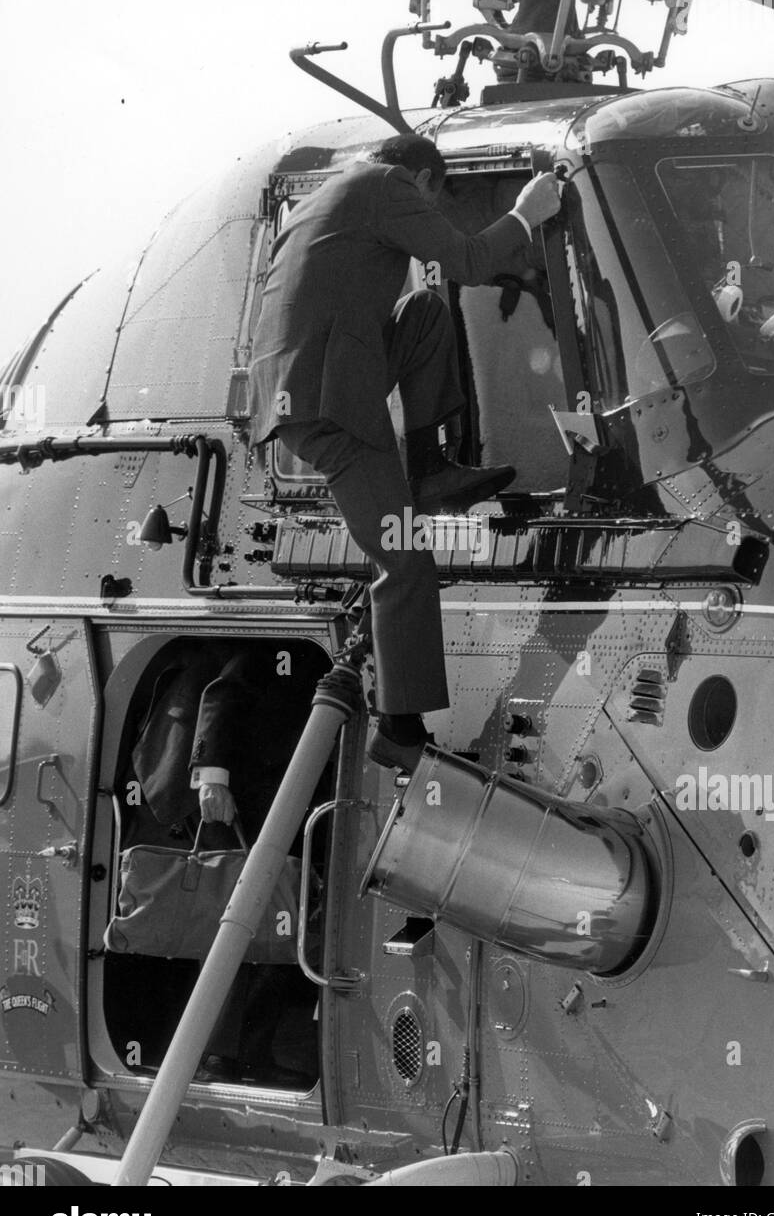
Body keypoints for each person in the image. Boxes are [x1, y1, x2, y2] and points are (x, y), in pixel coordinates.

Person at [249, 134, 561, 771]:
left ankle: (430, 464)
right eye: (435, 200)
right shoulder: (387, 186)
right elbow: (469, 261)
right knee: (405, 556)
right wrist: (528, 212)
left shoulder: (328, 195)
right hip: (327, 402)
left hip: (313, 383)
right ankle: (398, 728)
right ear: (422, 179)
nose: (429, 213)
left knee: (422, 313)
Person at [115, 640, 328, 1087]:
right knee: (230, 927)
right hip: (246, 808)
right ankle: (216, 1051)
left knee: (273, 933)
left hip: (285, 806)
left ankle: (251, 1054)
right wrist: (212, 777)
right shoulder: (285, 647)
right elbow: (223, 690)